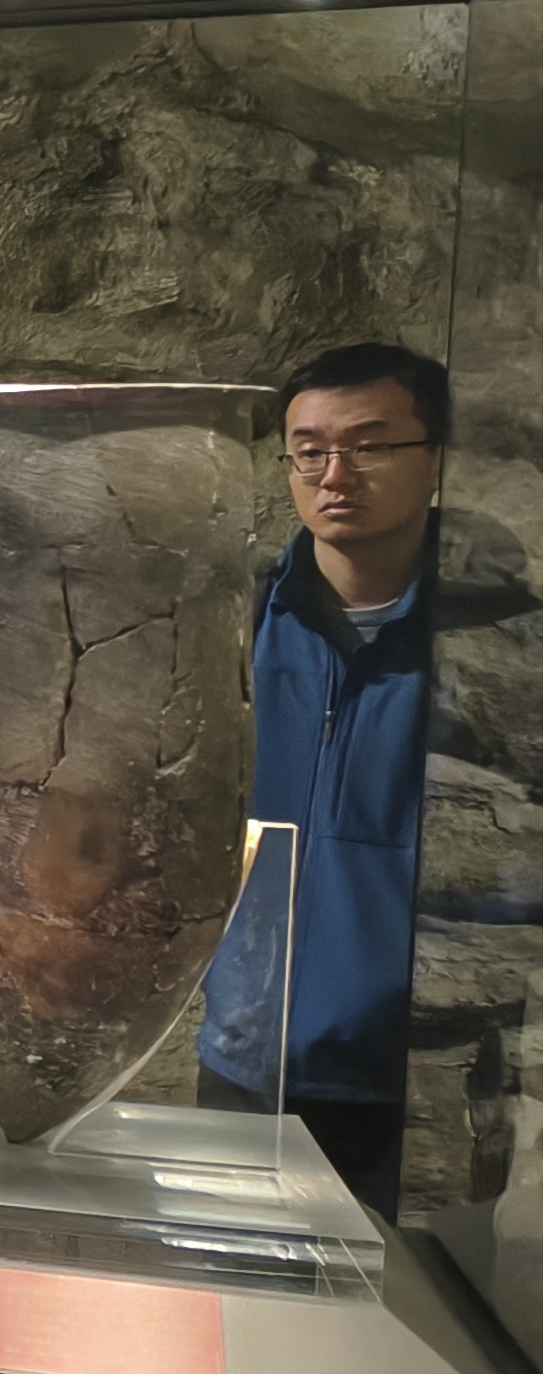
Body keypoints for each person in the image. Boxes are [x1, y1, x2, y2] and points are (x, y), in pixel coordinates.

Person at [198, 342, 449, 1217]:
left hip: (415, 1082)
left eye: (369, 446)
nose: (334, 475)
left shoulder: (487, 648)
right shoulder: (233, 621)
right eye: (310, 451)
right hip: (243, 1060)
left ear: (436, 457)